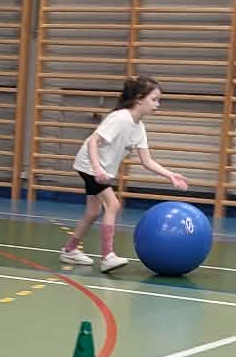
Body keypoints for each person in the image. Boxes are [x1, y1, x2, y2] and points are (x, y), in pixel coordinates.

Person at [61, 76, 186, 275]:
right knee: (113, 205)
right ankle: (107, 257)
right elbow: (93, 141)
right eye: (154, 99)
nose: (157, 104)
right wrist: (97, 169)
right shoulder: (120, 118)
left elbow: (147, 161)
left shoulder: (139, 127)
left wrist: (170, 175)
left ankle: (69, 250)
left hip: (98, 169)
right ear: (139, 99)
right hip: (90, 165)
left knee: (93, 212)